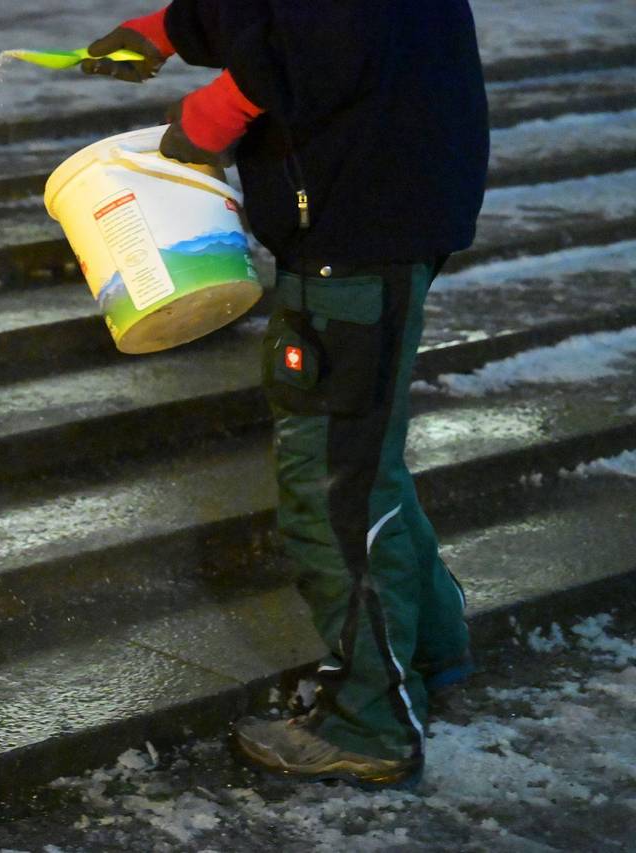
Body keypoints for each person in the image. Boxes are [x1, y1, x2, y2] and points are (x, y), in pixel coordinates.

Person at [82, 1, 489, 788]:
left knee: (331, 479)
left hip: (357, 217)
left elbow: (332, 27)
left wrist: (215, 113)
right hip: (382, 198)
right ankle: (430, 651)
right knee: (360, 453)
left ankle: (369, 723)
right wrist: (172, 27)